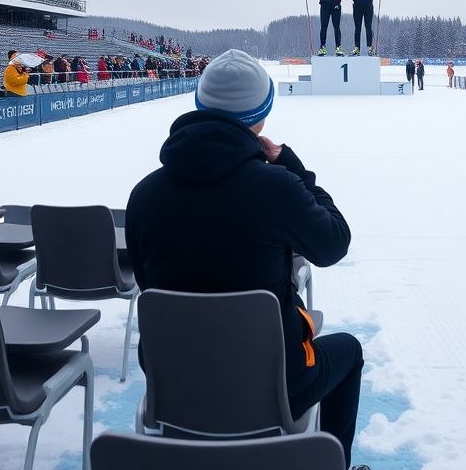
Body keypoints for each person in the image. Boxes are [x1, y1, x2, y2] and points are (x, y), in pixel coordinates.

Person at [125, 50, 367, 469]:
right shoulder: (276, 188)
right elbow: (333, 243)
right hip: (273, 387)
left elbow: (149, 284)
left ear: (199, 105)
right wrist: (293, 168)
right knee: (349, 351)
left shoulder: (144, 194)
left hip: (175, 384)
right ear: (262, 115)